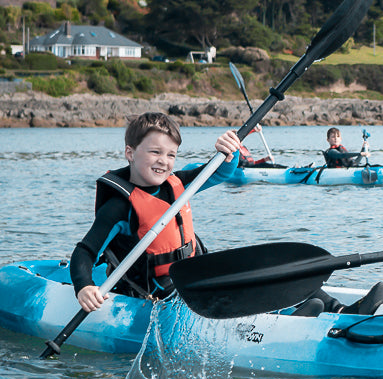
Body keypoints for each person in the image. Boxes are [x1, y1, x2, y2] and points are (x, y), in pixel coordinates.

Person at [70, 112, 358, 316]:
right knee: (238, 291)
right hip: (156, 297)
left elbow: (220, 171)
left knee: (260, 268)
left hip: (195, 277)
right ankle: (286, 320)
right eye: (155, 152)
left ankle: (342, 309)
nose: (164, 162)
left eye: (171, 155)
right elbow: (85, 252)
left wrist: (228, 151)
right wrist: (84, 287)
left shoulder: (179, 184)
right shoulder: (118, 206)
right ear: (130, 153)